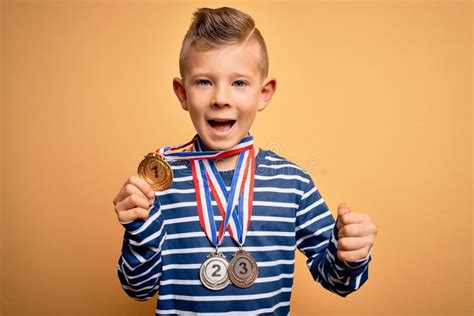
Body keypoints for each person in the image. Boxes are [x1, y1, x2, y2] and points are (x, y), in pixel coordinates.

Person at [112, 6, 377, 315]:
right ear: (182, 93)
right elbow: (138, 289)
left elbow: (336, 280)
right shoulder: (159, 184)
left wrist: (349, 254)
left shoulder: (293, 184)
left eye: (238, 83)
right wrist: (138, 227)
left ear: (264, 93)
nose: (221, 98)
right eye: (204, 82)